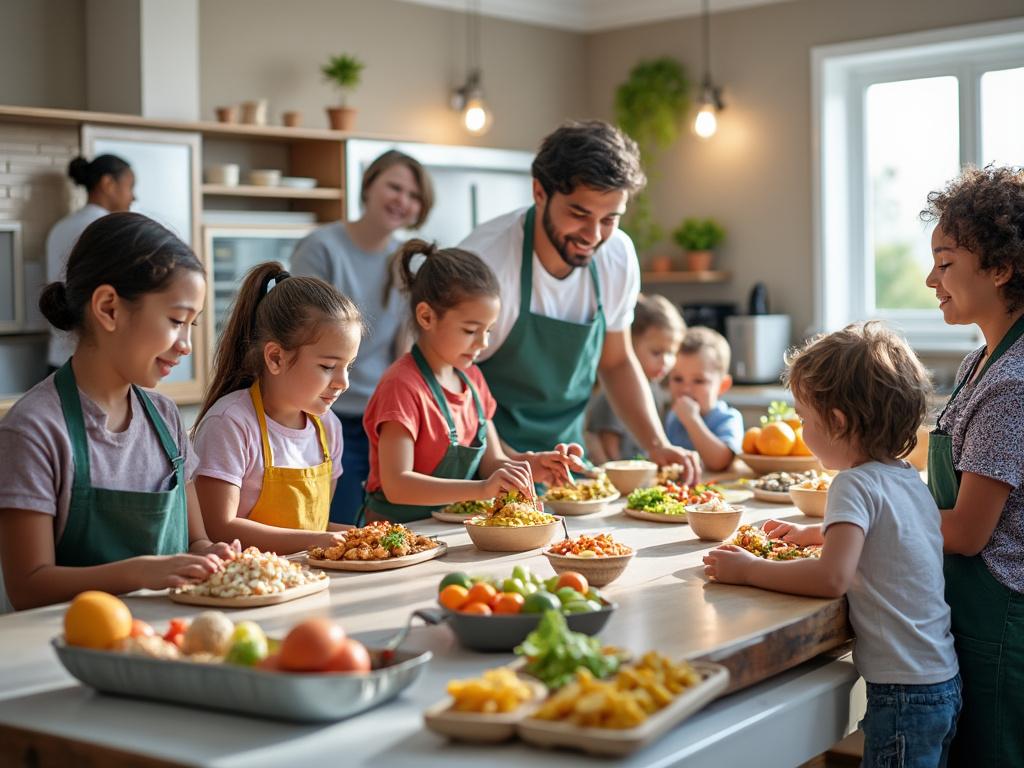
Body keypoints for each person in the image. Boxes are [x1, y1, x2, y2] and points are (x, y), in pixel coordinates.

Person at [703, 323, 960, 766]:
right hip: (943, 681)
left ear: (837, 422)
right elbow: (896, 540)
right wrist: (817, 534)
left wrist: (746, 569)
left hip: (902, 694)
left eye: (803, 418)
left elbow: (830, 577)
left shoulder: (851, 484)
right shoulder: (905, 477)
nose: (801, 429)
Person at [0, 213, 237, 610]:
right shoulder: (35, 429)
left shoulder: (164, 417)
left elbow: (196, 540)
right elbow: (28, 586)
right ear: (109, 308)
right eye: (177, 321)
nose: (186, 345)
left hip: (169, 637)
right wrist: (138, 573)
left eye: (192, 326)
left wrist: (215, 555)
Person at [459, 121, 699, 482]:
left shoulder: (616, 255)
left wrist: (656, 444)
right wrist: (505, 461)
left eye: (610, 219)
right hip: (485, 465)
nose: (593, 235)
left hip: (564, 464)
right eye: (579, 214)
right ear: (540, 192)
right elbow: (453, 379)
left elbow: (616, 362)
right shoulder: (486, 262)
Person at [361, 240, 584, 523]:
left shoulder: (473, 379)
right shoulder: (402, 386)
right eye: (470, 330)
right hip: (398, 535)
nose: (483, 343)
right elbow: (397, 485)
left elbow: (493, 462)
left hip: (449, 531)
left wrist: (536, 465)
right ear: (426, 316)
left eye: (489, 330)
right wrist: (481, 489)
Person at [921, 166, 1024, 765]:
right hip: (969, 615)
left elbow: (964, 531)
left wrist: (872, 514)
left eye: (945, 261)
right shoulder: (977, 364)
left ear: (1001, 269)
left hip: (1002, 625)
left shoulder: (1012, 383)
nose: (931, 278)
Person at [291, 150, 434, 525]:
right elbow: (304, 334)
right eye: (395, 187)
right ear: (369, 185)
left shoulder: (405, 260)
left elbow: (402, 348)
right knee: (334, 526)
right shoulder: (322, 248)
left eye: (414, 195)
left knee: (384, 530)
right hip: (325, 411)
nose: (403, 200)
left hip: (384, 419)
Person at [191, 262, 362, 554]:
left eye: (348, 366)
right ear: (276, 358)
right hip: (248, 586)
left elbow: (316, 528)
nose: (343, 382)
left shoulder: (328, 427)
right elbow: (218, 528)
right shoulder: (230, 423)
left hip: (310, 581)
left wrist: (360, 536)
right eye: (328, 366)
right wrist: (317, 541)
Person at [45, 154, 136, 372]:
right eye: (130, 186)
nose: (133, 197)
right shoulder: (109, 228)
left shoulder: (60, 227)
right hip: (96, 363)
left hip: (59, 357)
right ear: (107, 184)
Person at [586, 294, 685, 463]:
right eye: (656, 352)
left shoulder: (655, 389)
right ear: (629, 345)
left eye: (671, 353)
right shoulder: (616, 393)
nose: (665, 361)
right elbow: (610, 450)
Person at [664, 326, 743, 472]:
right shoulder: (673, 417)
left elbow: (720, 461)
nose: (685, 389)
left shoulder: (728, 418)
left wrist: (692, 420)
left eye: (699, 381)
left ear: (722, 386)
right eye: (677, 378)